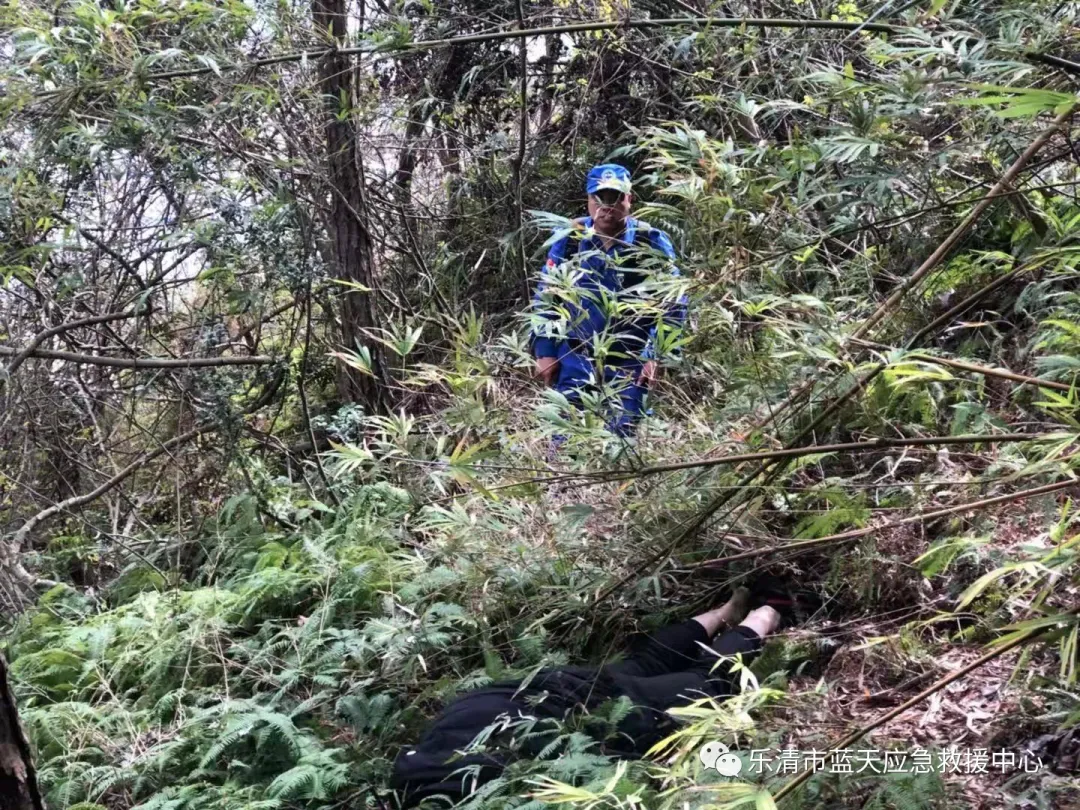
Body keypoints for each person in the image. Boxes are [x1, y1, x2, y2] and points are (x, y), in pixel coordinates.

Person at [390, 587, 787, 808]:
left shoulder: (477, 795)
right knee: (642, 664)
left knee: (708, 684)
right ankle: (726, 609)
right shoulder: (403, 780)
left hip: (571, 713)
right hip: (519, 694)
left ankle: (770, 609)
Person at [530, 164, 688, 438]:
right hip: (575, 355)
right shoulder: (570, 239)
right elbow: (548, 295)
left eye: (615, 198)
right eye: (598, 198)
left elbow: (674, 301)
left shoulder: (648, 241)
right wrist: (545, 350)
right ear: (588, 202)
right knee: (565, 440)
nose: (607, 206)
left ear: (629, 199)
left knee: (622, 442)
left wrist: (657, 355)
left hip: (630, 360)